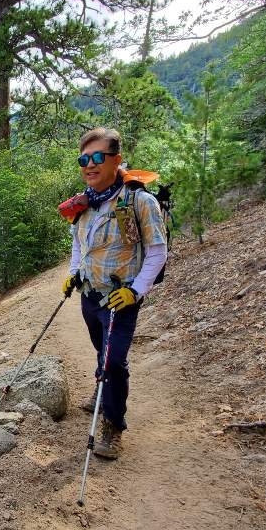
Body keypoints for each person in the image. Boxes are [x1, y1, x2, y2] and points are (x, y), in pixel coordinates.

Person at [62, 128, 168, 459]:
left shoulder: (139, 201)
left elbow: (158, 252)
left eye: (97, 157)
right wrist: (73, 273)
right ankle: (101, 387)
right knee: (102, 350)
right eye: (83, 159)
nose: (89, 165)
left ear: (116, 160)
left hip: (120, 298)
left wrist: (136, 291)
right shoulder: (85, 202)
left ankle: (112, 425)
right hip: (90, 295)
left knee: (114, 361)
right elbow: (79, 244)